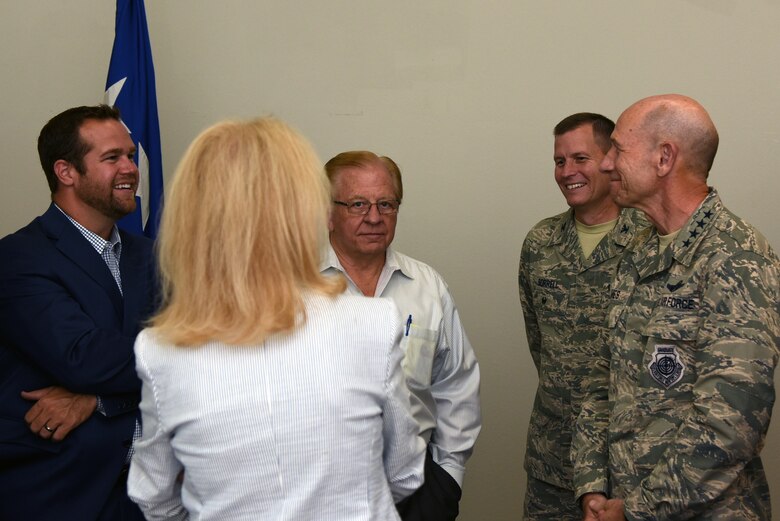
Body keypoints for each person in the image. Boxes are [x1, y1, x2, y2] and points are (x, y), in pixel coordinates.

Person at [127, 118, 425, 520]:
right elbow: (405, 473)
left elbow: (154, 498)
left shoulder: (161, 349)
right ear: (306, 213)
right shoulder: (371, 323)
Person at [572, 94, 780, 520]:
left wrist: (635, 511)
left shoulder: (736, 256)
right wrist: (592, 488)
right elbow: (600, 382)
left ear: (664, 158)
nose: (607, 163)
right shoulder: (636, 250)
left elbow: (730, 424)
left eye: (619, 149)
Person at [0, 105, 156, 520]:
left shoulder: (154, 257)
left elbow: (204, 358)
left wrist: (98, 400)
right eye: (112, 158)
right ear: (66, 172)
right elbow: (85, 359)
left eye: (129, 155)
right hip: (58, 497)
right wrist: (102, 389)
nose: (130, 168)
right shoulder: (18, 258)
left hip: (151, 498)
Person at [322, 150, 481, 521]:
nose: (374, 217)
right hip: (321, 490)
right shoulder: (293, 289)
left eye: (386, 204)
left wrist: (448, 477)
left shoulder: (427, 286)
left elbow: (457, 385)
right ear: (327, 211)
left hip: (419, 492)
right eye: (358, 204)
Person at [518, 113, 647, 520]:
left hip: (633, 464)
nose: (567, 172)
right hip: (553, 460)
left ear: (610, 160)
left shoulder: (651, 240)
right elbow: (539, 342)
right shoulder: (540, 243)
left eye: (579, 159)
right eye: (559, 161)